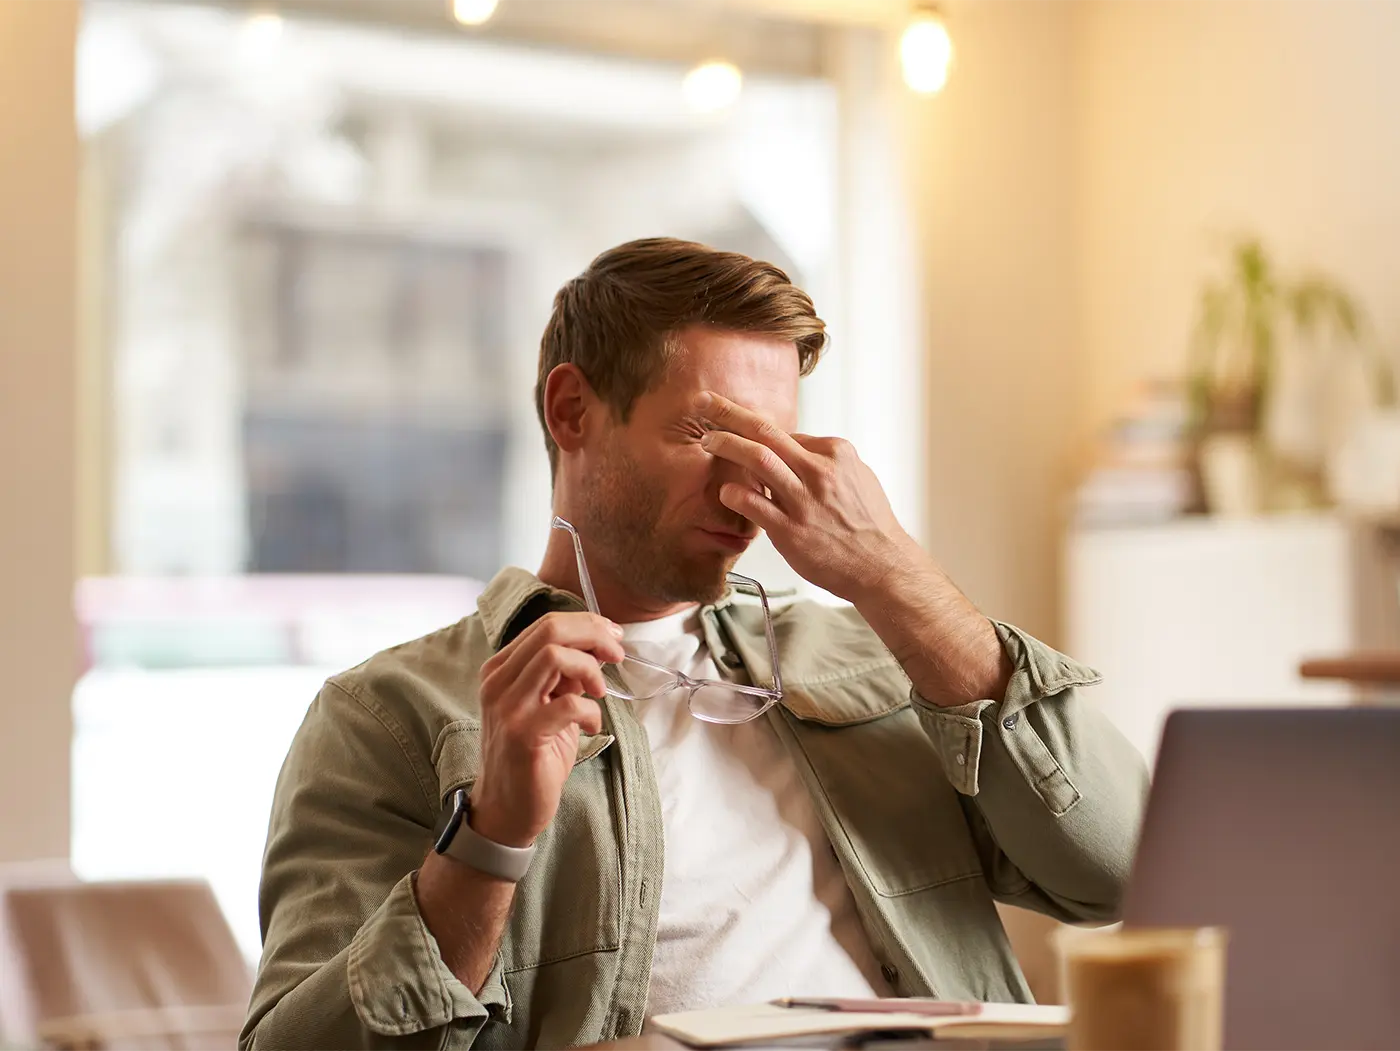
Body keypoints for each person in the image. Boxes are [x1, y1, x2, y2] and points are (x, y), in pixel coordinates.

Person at [241, 238, 1148, 1051]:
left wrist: (892, 574)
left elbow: (1119, 872)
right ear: (572, 412)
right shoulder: (391, 715)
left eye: (776, 450)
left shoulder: (875, 651)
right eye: (711, 436)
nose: (746, 493)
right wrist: (491, 837)